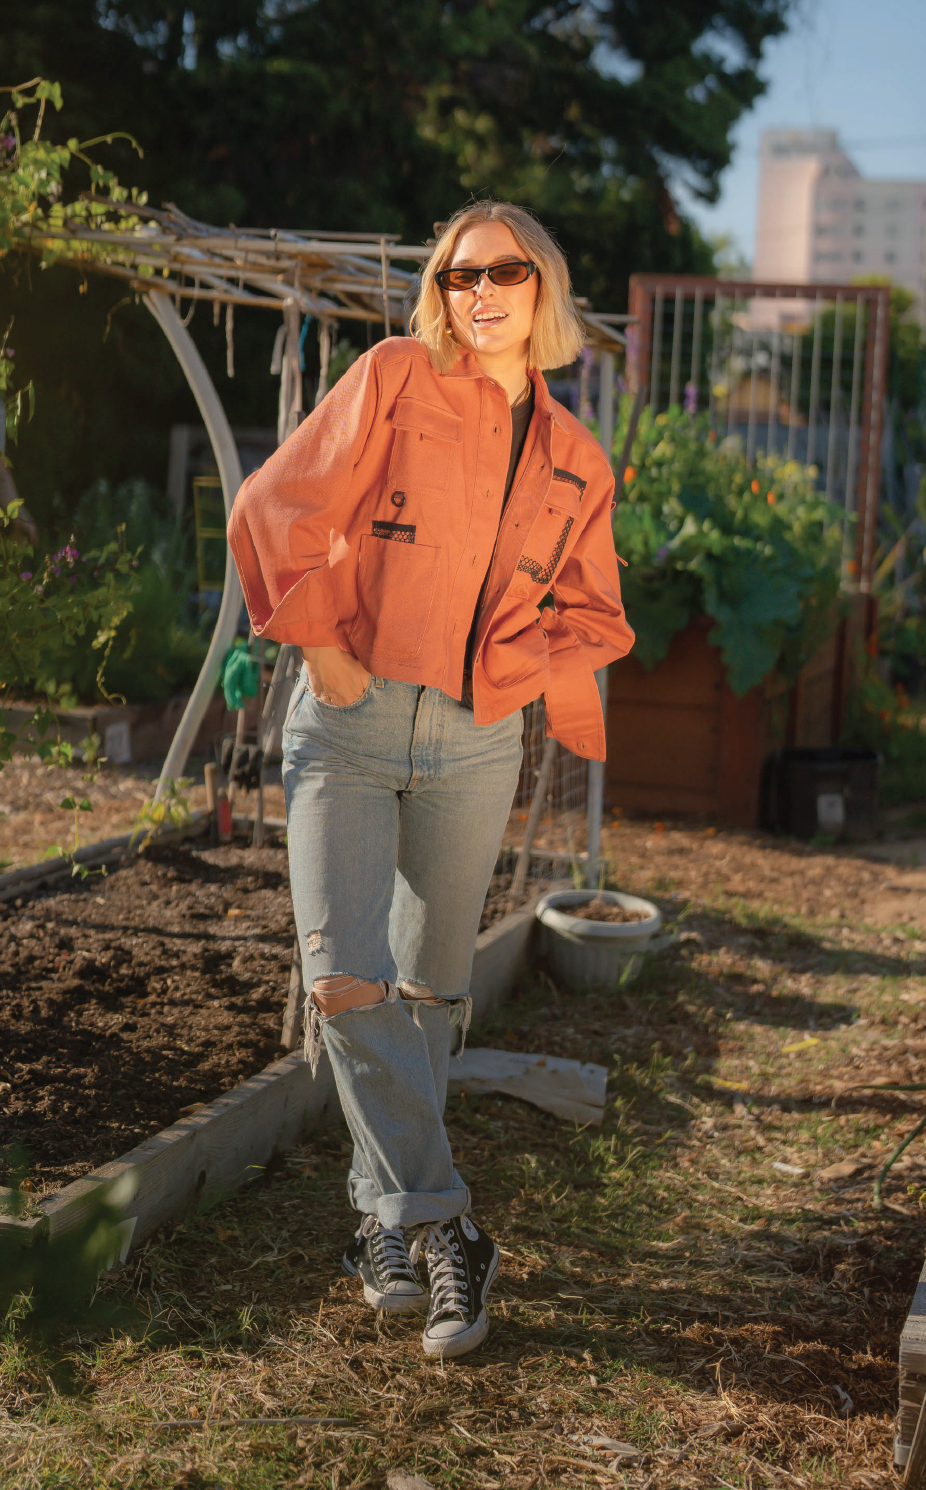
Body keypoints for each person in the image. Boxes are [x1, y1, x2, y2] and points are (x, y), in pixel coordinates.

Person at [229, 200, 633, 1358]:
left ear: (542, 289)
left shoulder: (575, 459)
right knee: (345, 980)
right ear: (440, 296)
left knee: (430, 994)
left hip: (474, 744)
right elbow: (275, 505)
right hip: (349, 726)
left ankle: (380, 1224)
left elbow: (595, 612)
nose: (482, 293)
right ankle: (448, 1223)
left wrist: (519, 673)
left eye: (506, 272)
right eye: (459, 278)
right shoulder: (398, 376)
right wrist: (325, 654)